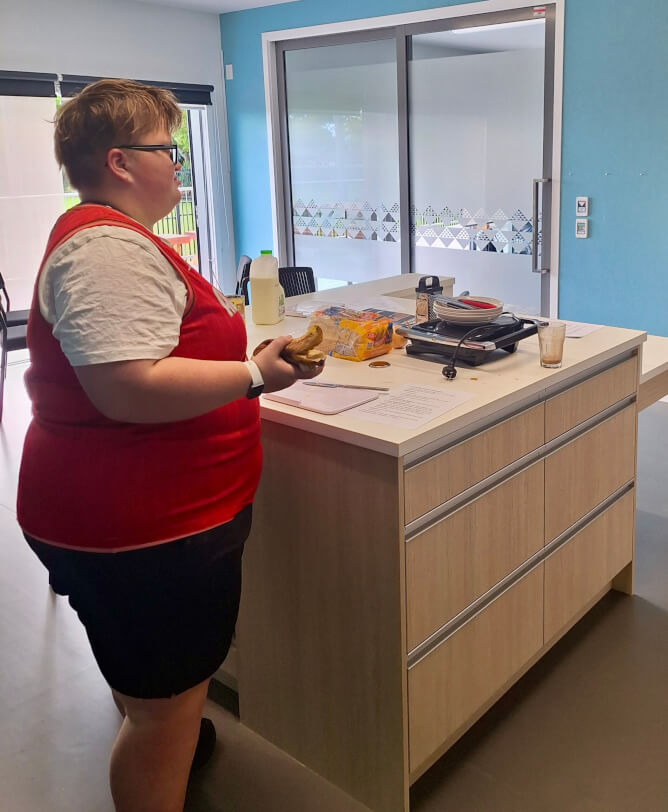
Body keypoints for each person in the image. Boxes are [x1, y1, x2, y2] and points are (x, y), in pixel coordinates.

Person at [16, 78, 322, 812]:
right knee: (161, 717)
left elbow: (148, 350)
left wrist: (244, 359)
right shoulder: (104, 250)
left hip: (131, 523)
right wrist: (252, 374)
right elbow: (127, 386)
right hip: (142, 535)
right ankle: (163, 740)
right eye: (169, 151)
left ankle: (165, 723)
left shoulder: (118, 241)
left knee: (152, 688)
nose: (179, 167)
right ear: (120, 162)